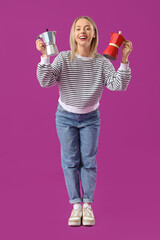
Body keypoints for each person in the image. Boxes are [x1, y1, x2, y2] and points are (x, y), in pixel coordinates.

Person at [36, 16, 133, 227]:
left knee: (88, 161)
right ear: (73, 34)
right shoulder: (62, 58)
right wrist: (44, 56)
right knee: (70, 161)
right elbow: (46, 81)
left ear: (94, 34)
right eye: (78, 28)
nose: (83, 31)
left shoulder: (102, 62)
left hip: (90, 118)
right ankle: (76, 205)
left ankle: (88, 204)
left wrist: (124, 60)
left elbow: (118, 85)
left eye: (87, 28)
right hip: (65, 117)